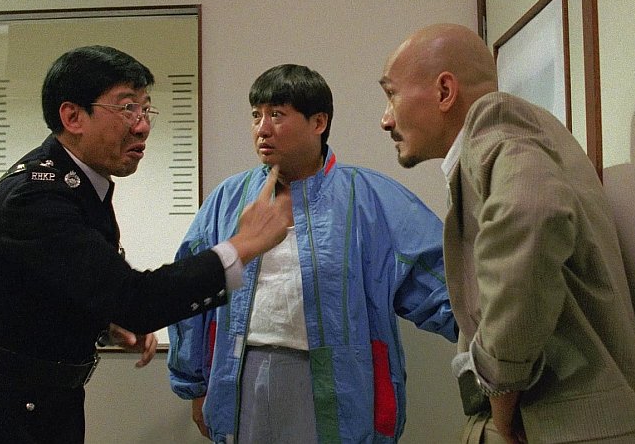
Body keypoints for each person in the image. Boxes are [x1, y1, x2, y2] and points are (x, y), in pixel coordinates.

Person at [0, 45, 290, 443]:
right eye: (127, 108)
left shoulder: (81, 184)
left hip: (42, 404)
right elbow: (135, 300)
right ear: (73, 117)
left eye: (145, 109)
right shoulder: (35, 197)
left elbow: (52, 288)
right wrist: (241, 246)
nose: (142, 126)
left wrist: (103, 320)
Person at [379, 24, 635, 443]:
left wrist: (500, 387)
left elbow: (533, 211)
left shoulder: (494, 119)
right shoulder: (521, 134)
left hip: (559, 426)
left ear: (445, 91)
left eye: (391, 94)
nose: (386, 118)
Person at [167, 64, 457, 443]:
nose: (262, 129)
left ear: (318, 122)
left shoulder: (369, 199)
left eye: (277, 115)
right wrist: (194, 384)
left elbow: (443, 283)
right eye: (256, 115)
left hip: (335, 384)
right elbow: (191, 294)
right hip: (240, 373)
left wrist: (496, 339)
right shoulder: (229, 199)